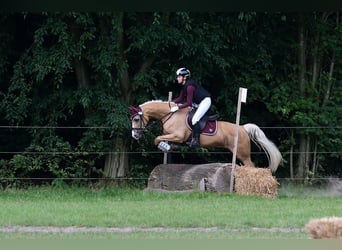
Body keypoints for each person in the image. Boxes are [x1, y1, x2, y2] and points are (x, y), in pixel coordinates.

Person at [170, 67, 212, 148]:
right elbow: (180, 98)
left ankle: (196, 141)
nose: (177, 78)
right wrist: (170, 103)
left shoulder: (190, 87)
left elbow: (188, 103)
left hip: (205, 102)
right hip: (197, 103)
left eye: (179, 76)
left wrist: (178, 108)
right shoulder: (184, 86)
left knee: (194, 119)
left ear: (184, 77)